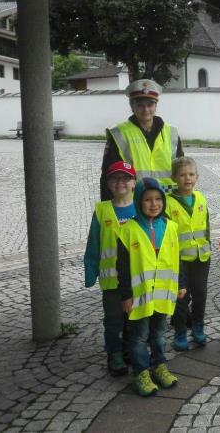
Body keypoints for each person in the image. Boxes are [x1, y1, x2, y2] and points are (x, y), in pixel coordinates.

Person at [117, 177, 185, 397]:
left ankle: (159, 366)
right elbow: (123, 266)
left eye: (158, 199)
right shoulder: (128, 230)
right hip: (140, 295)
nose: (154, 204)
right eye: (148, 200)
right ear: (138, 201)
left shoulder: (171, 227)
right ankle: (141, 372)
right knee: (139, 336)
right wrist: (126, 296)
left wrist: (181, 283)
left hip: (163, 293)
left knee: (159, 333)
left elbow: (177, 257)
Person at [83, 161, 137, 377]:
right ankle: (114, 353)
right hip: (112, 281)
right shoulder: (102, 210)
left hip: (137, 278)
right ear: (107, 183)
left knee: (133, 318)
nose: (120, 182)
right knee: (114, 319)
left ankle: (130, 348)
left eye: (125, 178)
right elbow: (93, 243)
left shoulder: (142, 207)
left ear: (134, 183)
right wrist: (90, 271)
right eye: (115, 178)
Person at [101, 79, 183, 200]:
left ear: (156, 106)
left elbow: (182, 172)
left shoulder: (172, 133)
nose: (145, 110)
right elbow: (108, 176)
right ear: (132, 106)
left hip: (169, 203)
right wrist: (109, 208)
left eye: (150, 105)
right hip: (133, 203)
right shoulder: (119, 134)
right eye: (140, 105)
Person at [165, 157, 211, 351]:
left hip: (202, 256)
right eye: (182, 175)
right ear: (174, 178)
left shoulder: (200, 198)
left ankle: (198, 327)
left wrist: (207, 245)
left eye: (191, 174)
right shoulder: (168, 202)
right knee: (182, 296)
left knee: (200, 294)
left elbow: (206, 225)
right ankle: (180, 331)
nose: (187, 179)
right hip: (180, 259)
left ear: (197, 177)